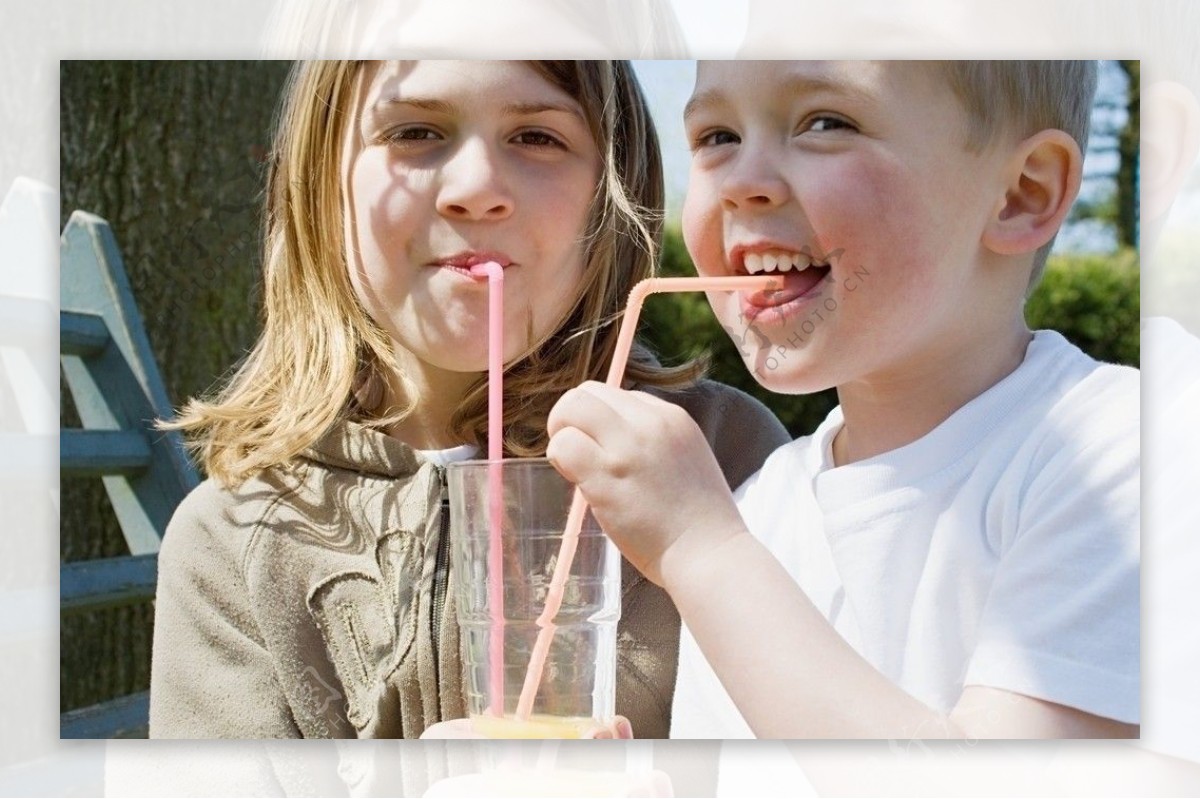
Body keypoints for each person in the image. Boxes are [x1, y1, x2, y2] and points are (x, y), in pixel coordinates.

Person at [148, 59, 789, 739]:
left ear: (612, 188)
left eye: (538, 137)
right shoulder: (235, 539)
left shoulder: (728, 460)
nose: (478, 189)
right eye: (416, 131)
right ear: (321, 184)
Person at [546, 60, 1139, 738]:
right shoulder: (760, 504)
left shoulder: (1123, 451)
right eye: (716, 136)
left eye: (826, 123)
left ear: (1021, 194)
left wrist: (701, 550)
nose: (741, 183)